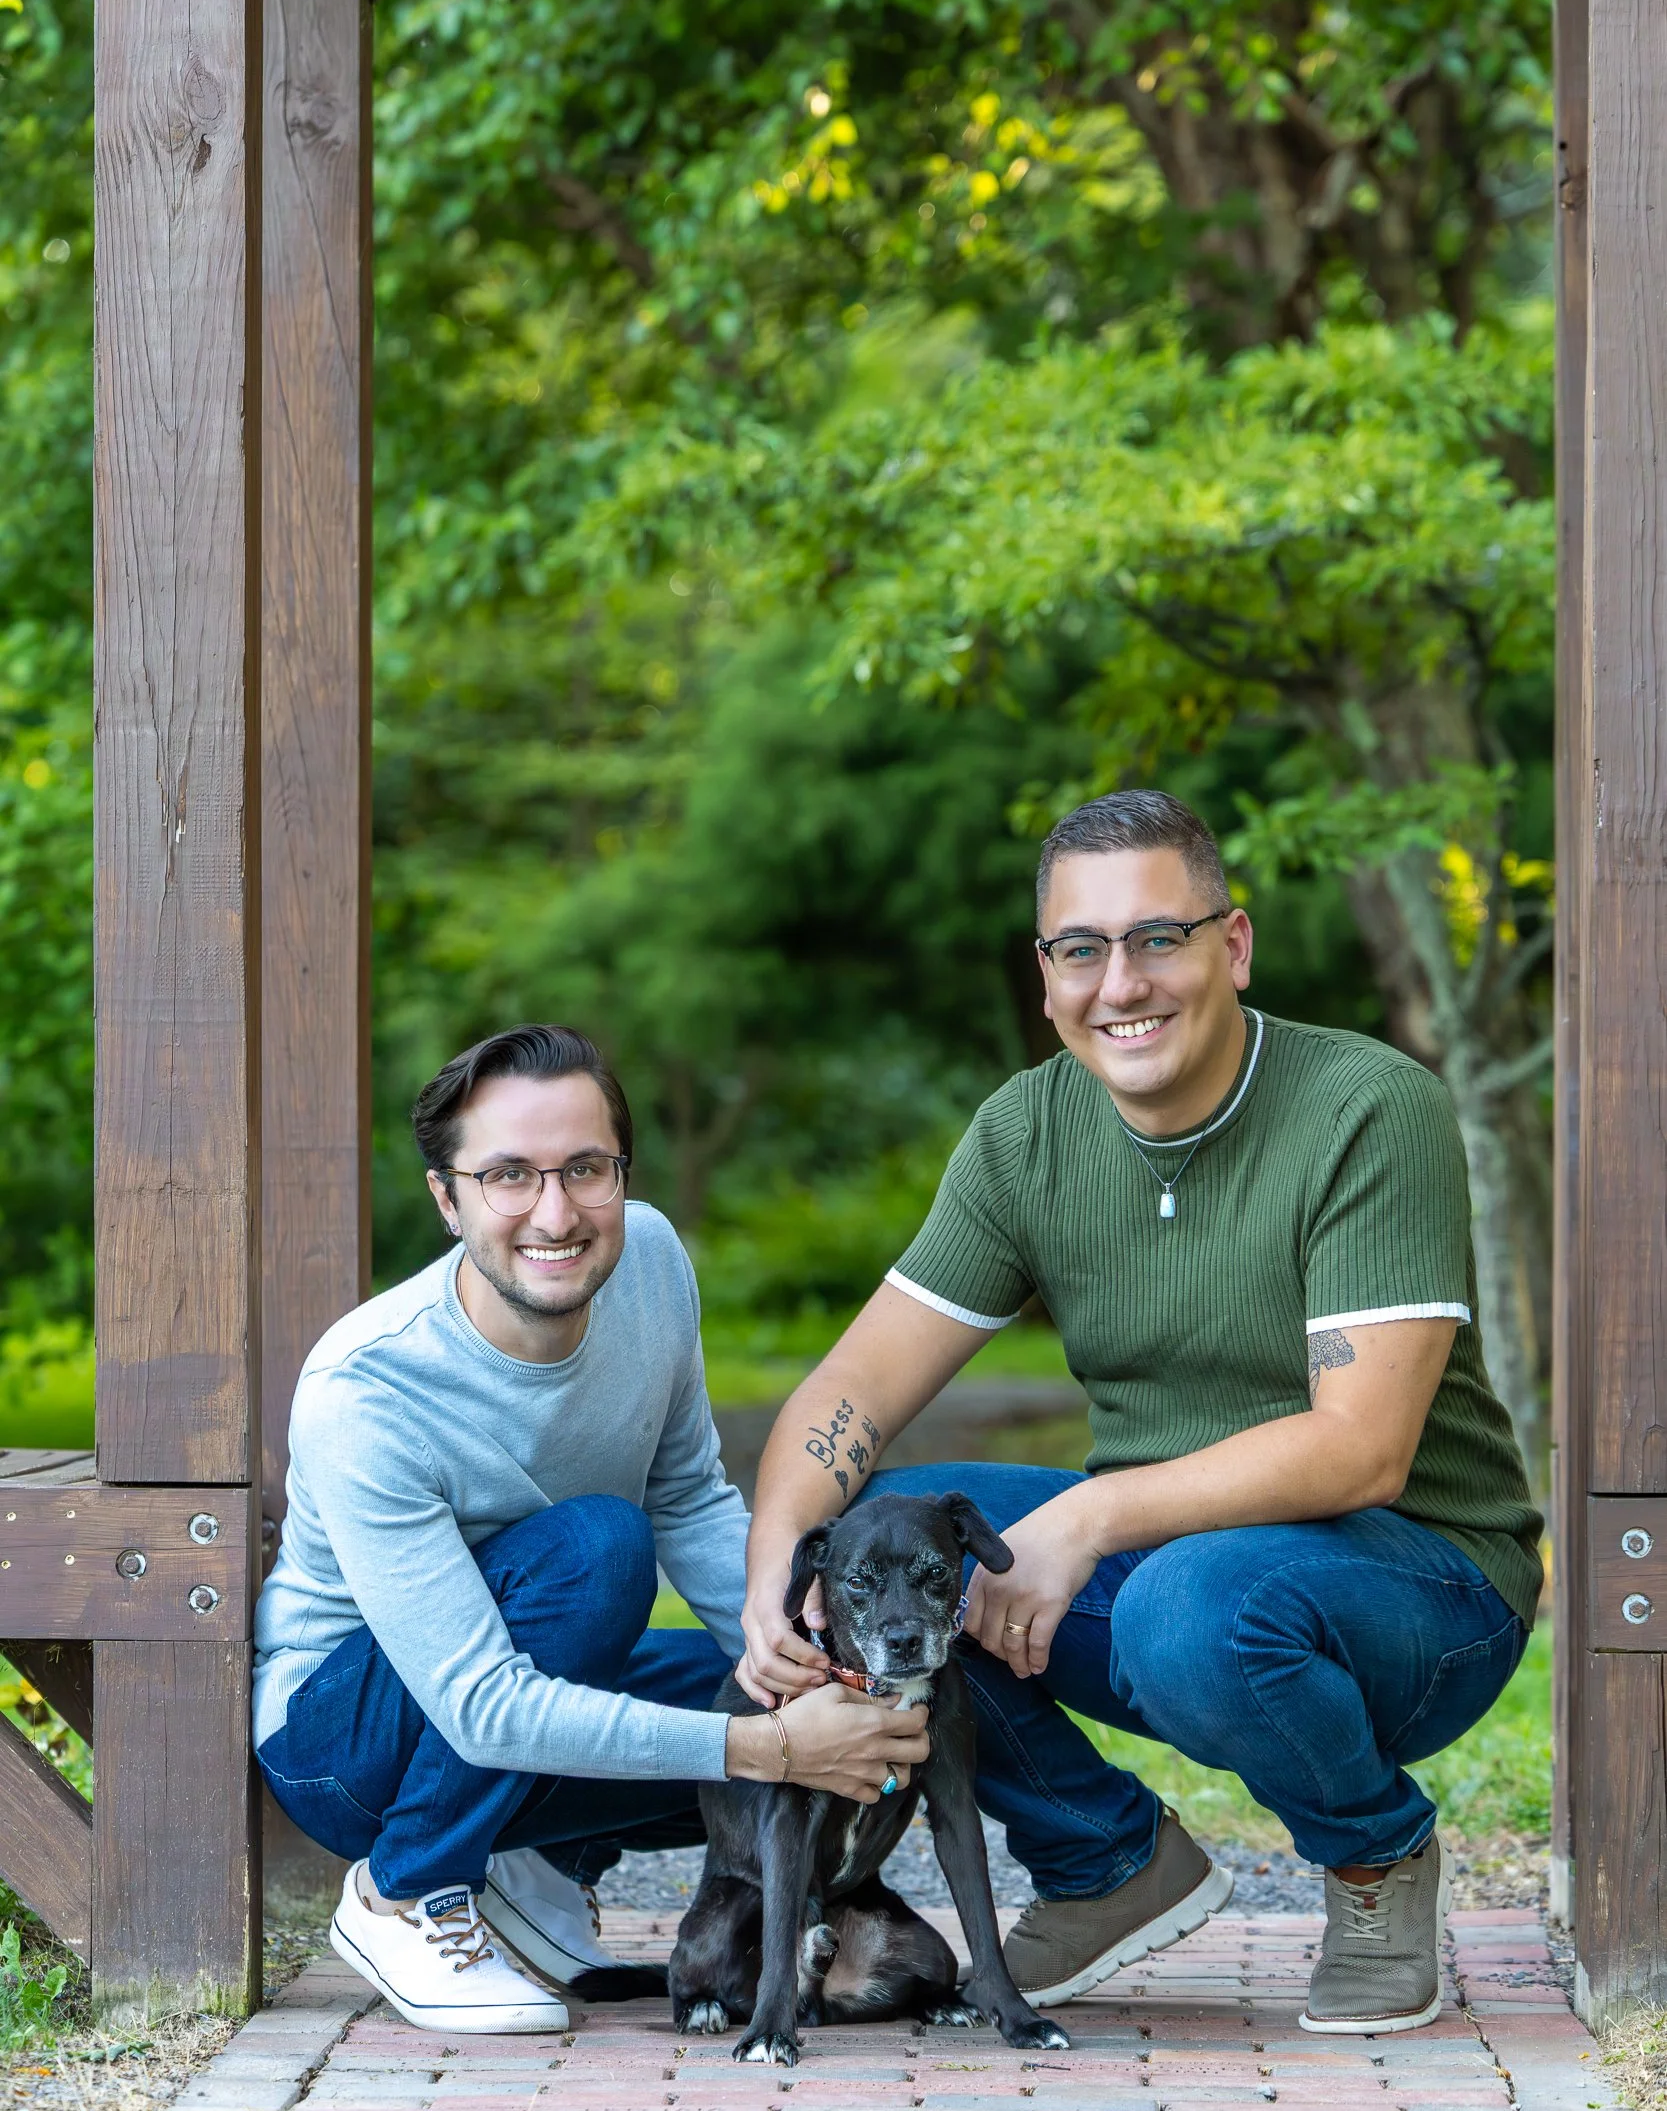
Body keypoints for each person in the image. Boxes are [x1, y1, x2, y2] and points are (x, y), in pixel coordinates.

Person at [740, 790, 1542, 2035]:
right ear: (1048, 972)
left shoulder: (1366, 1108)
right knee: (905, 1543)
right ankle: (1105, 1858)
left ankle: (1375, 1857)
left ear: (1231, 945)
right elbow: (847, 1393)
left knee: (1183, 1603)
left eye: (1157, 938)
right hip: (1182, 1552)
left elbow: (1361, 1447)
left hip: (1422, 1586)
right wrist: (775, 1581)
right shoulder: (1026, 1133)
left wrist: (1094, 1515)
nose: (1121, 982)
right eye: (1083, 948)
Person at [253, 1023, 929, 2033]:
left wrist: (794, 1656)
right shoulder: (369, 1390)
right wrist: (770, 1746)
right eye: (509, 1175)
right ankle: (407, 1887)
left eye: (584, 1168)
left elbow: (691, 1493)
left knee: (747, 1687)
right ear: (448, 1198)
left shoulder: (649, 1259)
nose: (555, 1211)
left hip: (503, 1694)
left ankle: (530, 1862)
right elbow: (480, 1703)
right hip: (345, 1744)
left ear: (622, 1172)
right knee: (600, 1554)